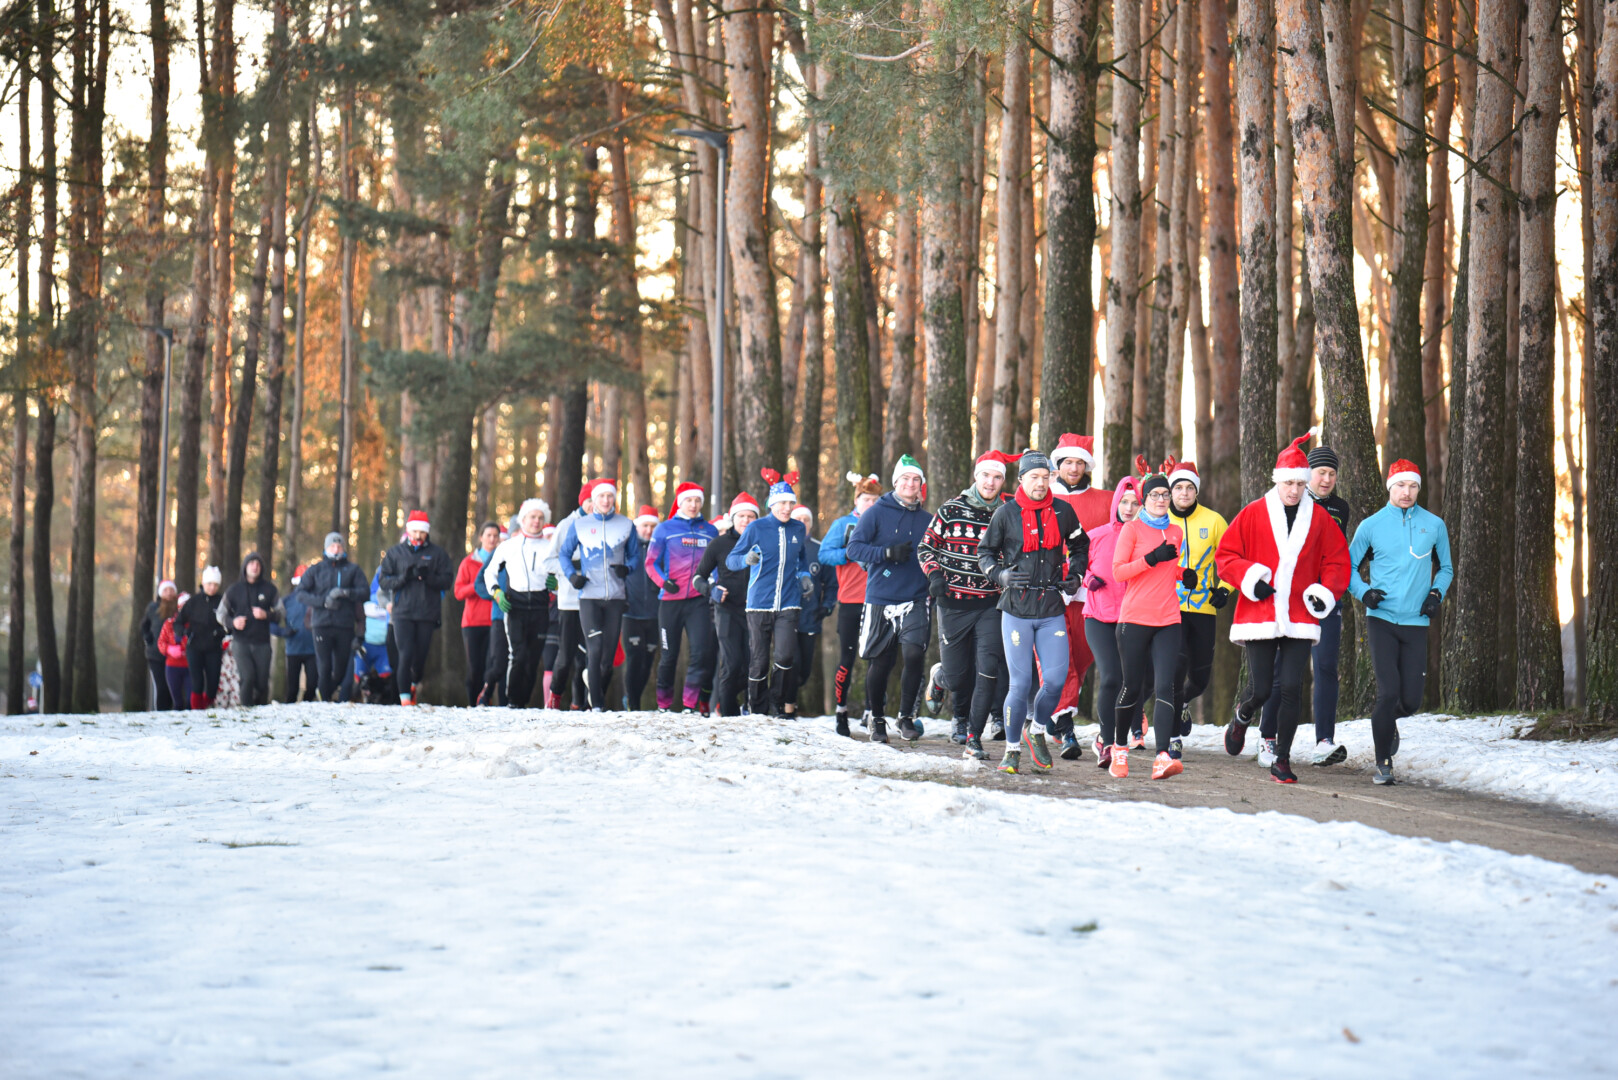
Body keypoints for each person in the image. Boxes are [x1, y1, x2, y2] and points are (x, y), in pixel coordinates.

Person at [1217, 433, 1352, 783]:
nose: (1294, 490)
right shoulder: (1252, 513)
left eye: (1300, 484)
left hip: (1301, 614)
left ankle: (1283, 759)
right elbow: (1226, 556)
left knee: (1292, 686)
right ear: (1278, 480)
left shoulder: (1319, 518)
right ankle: (1243, 715)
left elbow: (1338, 561)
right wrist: (1251, 578)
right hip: (1260, 612)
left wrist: (1324, 592)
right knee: (1263, 688)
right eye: (1289, 483)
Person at [976, 451, 1089, 774]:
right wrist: (1000, 575)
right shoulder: (1005, 513)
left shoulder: (1063, 511)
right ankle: (1012, 750)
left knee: (1054, 681)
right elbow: (985, 553)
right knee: (1021, 683)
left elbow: (1080, 545)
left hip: (1051, 606)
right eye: (1033, 477)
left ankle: (1036, 730)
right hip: (1016, 609)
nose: (1040, 483)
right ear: (1021, 479)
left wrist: (1076, 575)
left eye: (1045, 476)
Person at [1348, 458, 1453, 785]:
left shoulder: (1434, 525)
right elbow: (1347, 567)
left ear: (1418, 488)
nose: (1406, 492)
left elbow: (1446, 568)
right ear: (1390, 487)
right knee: (1388, 692)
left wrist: (1435, 595)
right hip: (1381, 620)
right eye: (1400, 486)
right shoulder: (1371, 526)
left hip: (1416, 623)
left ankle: (1386, 722)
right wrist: (1365, 593)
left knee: (1410, 701)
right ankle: (1383, 763)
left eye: (1412, 486)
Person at [1260, 444, 1353, 765]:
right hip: (1288, 599)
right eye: (1320, 473)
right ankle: (1267, 737)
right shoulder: (1289, 502)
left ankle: (1324, 740)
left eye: (1332, 474)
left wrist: (1330, 589)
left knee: (1326, 666)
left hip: (1324, 600)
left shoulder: (1340, 508)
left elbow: (1336, 555)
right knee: (1280, 670)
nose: (1326, 479)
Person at [919, 450, 1015, 759]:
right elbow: (926, 547)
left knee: (988, 670)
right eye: (986, 475)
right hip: (953, 603)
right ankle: (941, 678)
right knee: (959, 676)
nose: (991, 482)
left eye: (997, 477)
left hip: (990, 604)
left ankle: (974, 736)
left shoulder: (1007, 512)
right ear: (976, 476)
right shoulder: (951, 509)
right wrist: (935, 576)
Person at [1111, 460, 1201, 779]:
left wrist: (1183, 573)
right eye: (1155, 495)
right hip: (1134, 619)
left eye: (1165, 494)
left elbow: (1168, 569)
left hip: (1168, 618)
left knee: (1166, 686)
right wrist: (1151, 558)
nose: (1161, 499)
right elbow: (1118, 572)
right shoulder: (1132, 529)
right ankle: (1119, 748)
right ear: (1144, 498)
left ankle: (1162, 755)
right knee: (1132, 687)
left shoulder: (1175, 531)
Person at [846, 455, 934, 743]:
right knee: (881, 661)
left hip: (916, 597)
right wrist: (885, 553)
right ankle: (877, 718)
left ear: (921, 485)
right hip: (881, 597)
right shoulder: (876, 513)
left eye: (916, 479)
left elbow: (937, 554)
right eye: (905, 478)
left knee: (914, 654)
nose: (910, 484)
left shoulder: (928, 520)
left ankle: (906, 716)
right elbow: (854, 549)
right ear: (896, 482)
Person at [1047, 434, 1114, 756]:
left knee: (1083, 656)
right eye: (1067, 462)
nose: (1073, 468)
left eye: (1079, 463)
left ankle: (1058, 710)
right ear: (1057, 465)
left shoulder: (1106, 500)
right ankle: (1065, 726)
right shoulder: (1044, 496)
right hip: (1050, 589)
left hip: (1090, 591)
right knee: (1058, 657)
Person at [727, 470, 815, 718]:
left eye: (790, 503)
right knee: (759, 660)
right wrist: (746, 559)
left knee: (786, 656)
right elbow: (731, 559)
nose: (787, 508)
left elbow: (801, 560)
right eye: (782, 503)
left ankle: (776, 704)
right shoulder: (756, 527)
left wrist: (805, 576)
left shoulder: (798, 528)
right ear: (772, 504)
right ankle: (757, 708)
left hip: (789, 602)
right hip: (759, 604)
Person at [559, 478, 641, 711]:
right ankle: (597, 705)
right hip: (589, 597)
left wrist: (628, 568)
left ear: (614, 498)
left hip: (615, 598)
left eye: (609, 496)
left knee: (607, 660)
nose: (606, 500)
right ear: (593, 500)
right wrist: (572, 576)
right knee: (594, 650)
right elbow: (564, 554)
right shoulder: (580, 525)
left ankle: (592, 696)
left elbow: (635, 556)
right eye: (601, 496)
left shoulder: (626, 524)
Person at [1165, 462, 1228, 757]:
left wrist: (1225, 589)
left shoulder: (1214, 521)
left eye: (1189, 487)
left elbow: (1232, 558)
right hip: (1169, 607)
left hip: (1204, 609)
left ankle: (1184, 703)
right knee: (1175, 670)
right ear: (1170, 491)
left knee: (1200, 679)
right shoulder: (1159, 518)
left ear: (1196, 491)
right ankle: (1173, 737)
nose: (1184, 492)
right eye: (1178, 487)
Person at [1080, 477, 1141, 768]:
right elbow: (1073, 565)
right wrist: (1088, 578)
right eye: (1124, 502)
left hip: (1133, 618)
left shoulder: (1145, 538)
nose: (1128, 508)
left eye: (1135, 503)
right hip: (1098, 617)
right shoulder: (1096, 536)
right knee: (1111, 677)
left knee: (1131, 681)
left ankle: (1119, 737)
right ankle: (1106, 742)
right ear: (1116, 503)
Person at [818, 473, 883, 735]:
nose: (871, 504)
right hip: (850, 601)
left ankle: (871, 711)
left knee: (876, 659)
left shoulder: (884, 523)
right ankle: (841, 711)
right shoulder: (843, 524)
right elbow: (824, 555)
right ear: (856, 500)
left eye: (875, 500)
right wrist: (849, 553)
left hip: (878, 600)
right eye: (866, 499)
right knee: (847, 657)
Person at [645, 482, 718, 713]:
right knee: (669, 656)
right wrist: (663, 582)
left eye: (697, 501)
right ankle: (664, 705)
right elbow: (650, 563)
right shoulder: (665, 529)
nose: (693, 505)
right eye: (689, 500)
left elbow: (716, 565)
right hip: (670, 602)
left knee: (700, 654)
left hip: (698, 601)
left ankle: (689, 705)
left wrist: (712, 583)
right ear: (680, 502)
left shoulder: (710, 531)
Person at [378, 510, 456, 706]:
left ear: (427, 532)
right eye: (414, 531)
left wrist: (428, 577)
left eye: (422, 532)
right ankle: (405, 701)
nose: (418, 536)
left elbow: (447, 581)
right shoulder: (395, 553)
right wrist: (403, 578)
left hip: (426, 613)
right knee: (405, 654)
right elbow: (384, 581)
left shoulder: (437, 554)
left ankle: (413, 683)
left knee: (419, 659)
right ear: (408, 531)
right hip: (401, 613)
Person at [694, 493, 758, 716]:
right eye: (741, 516)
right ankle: (729, 715)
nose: (746, 520)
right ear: (733, 518)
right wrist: (712, 590)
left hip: (755, 612)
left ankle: (751, 709)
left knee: (753, 664)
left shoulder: (762, 543)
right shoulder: (719, 544)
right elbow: (698, 578)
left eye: (751, 516)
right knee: (732, 663)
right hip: (727, 610)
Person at [488, 498, 554, 708]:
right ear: (523, 519)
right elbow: (489, 573)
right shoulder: (509, 546)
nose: (536, 521)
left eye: (540, 518)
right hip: (515, 606)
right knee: (518, 655)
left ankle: (523, 702)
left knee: (533, 659)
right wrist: (497, 592)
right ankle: (513, 701)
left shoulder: (550, 548)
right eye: (532, 517)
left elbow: (559, 578)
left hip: (540, 607)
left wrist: (555, 584)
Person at [297, 533, 371, 701]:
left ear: (344, 548)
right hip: (321, 624)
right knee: (324, 667)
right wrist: (323, 602)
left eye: (339, 546)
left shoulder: (353, 570)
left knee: (340, 669)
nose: (336, 549)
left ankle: (325, 693)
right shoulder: (316, 570)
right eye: (332, 546)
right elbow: (300, 594)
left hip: (344, 625)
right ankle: (325, 702)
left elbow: (364, 592)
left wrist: (346, 593)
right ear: (326, 548)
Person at [786, 504, 837, 719]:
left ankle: (791, 699)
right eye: (798, 519)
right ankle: (786, 705)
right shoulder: (783, 546)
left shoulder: (819, 549)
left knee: (804, 669)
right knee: (791, 660)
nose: (802, 523)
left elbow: (832, 584)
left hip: (810, 617)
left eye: (806, 520)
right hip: (785, 615)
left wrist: (826, 606)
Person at [546, 490, 593, 708]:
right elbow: (548, 561)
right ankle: (555, 697)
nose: (595, 504)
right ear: (582, 501)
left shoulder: (605, 525)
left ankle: (585, 703)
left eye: (599, 500)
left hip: (596, 600)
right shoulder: (566, 525)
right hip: (570, 601)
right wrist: (572, 569)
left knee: (592, 656)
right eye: (590, 500)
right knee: (566, 656)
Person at [219, 552, 281, 707]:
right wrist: (233, 622)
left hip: (262, 643)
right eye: (252, 563)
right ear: (245, 567)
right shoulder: (234, 590)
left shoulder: (270, 589)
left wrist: (266, 614)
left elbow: (281, 613)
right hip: (241, 642)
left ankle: (261, 711)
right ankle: (246, 711)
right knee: (247, 677)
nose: (255, 567)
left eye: (258, 564)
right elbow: (220, 614)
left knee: (262, 682)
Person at [456, 522, 502, 705]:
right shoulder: (468, 562)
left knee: (492, 666)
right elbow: (458, 592)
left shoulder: (502, 561)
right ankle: (472, 703)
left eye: (495, 536)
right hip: (472, 622)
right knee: (475, 667)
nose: (492, 539)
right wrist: (478, 585)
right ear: (481, 537)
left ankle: (485, 700)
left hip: (495, 621)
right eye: (488, 535)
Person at [622, 505, 663, 709]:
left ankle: (633, 699)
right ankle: (632, 703)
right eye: (645, 526)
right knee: (634, 658)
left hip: (655, 614)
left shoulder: (661, 548)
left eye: (653, 526)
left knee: (647, 661)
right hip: (631, 613)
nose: (648, 530)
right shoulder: (627, 547)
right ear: (637, 526)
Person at [175, 567, 228, 709]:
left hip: (214, 648)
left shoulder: (222, 601)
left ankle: (206, 703)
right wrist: (185, 633)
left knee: (213, 684)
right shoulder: (193, 602)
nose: (212, 587)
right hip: (195, 647)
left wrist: (221, 632)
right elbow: (178, 623)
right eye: (209, 584)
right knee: (197, 683)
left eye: (215, 585)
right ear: (203, 583)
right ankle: (197, 711)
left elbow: (229, 623)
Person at [274, 565, 318, 702]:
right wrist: (283, 631)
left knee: (312, 686)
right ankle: (289, 710)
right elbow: (271, 623)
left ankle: (306, 707)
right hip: (293, 650)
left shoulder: (316, 600)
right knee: (292, 688)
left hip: (313, 649)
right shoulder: (286, 601)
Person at [140, 580, 180, 710]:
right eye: (165, 590)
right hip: (156, 655)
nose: (168, 593)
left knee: (173, 686)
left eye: (171, 590)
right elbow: (144, 626)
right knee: (161, 686)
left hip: (174, 656)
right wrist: (148, 639)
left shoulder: (179, 608)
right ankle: (161, 712)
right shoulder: (153, 608)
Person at [352, 585, 396, 702]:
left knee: (387, 678)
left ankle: (384, 701)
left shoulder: (391, 603)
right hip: (366, 645)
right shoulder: (365, 604)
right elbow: (358, 621)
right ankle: (357, 700)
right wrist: (356, 639)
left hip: (384, 646)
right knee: (359, 678)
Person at [157, 593, 192, 709]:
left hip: (191, 666)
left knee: (190, 701)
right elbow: (161, 642)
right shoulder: (169, 623)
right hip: (172, 666)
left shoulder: (195, 625)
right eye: (183, 607)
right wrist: (169, 649)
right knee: (177, 702)